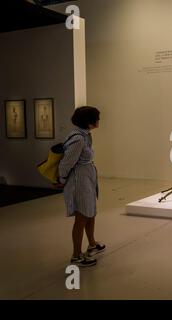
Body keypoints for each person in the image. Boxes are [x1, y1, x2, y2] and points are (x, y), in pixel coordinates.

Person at [57, 106, 105, 267]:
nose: (99, 120)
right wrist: (61, 179)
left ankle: (91, 243)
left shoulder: (85, 135)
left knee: (90, 212)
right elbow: (67, 162)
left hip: (87, 178)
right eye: (97, 117)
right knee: (82, 216)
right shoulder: (78, 138)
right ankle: (76, 255)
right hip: (79, 181)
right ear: (89, 121)